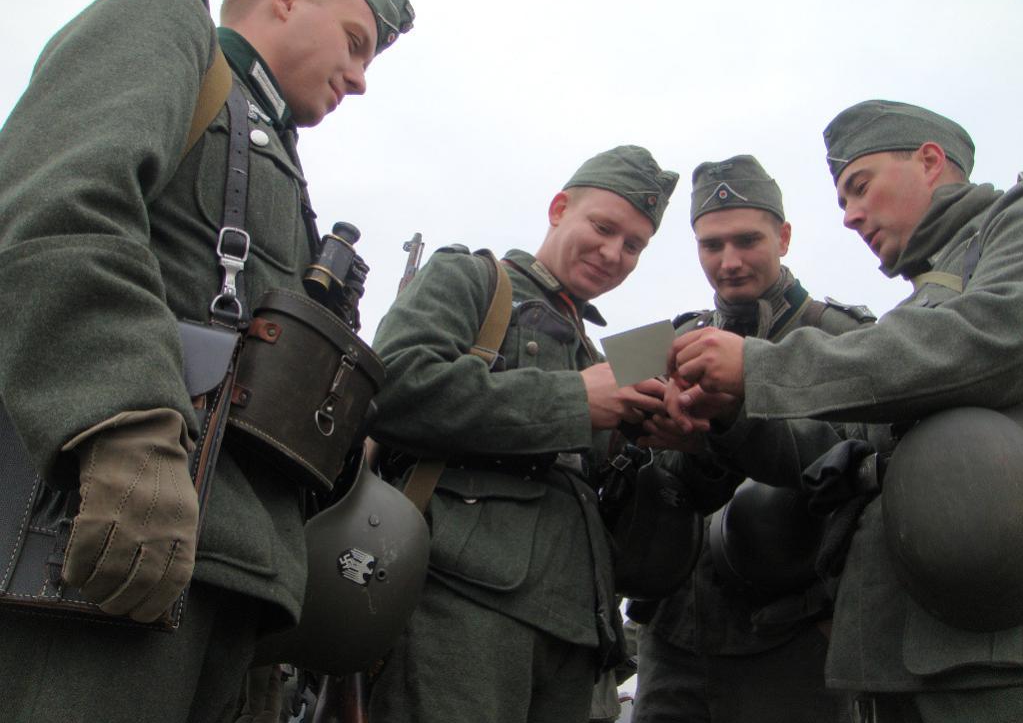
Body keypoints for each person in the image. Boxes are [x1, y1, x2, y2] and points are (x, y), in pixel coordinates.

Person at [0, 0, 412, 721]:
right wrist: (124, 423)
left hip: (223, 567)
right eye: (354, 42)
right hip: (107, 523)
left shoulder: (276, 154)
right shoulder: (167, 21)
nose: (359, 79)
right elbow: (58, 210)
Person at [669, 100, 1023, 721]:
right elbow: (831, 445)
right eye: (841, 200)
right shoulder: (923, 300)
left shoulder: (1009, 230)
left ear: (930, 162)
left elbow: (992, 337)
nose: (851, 216)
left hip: (992, 648)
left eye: (860, 186)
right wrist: (728, 414)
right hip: (910, 649)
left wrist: (762, 368)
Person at [367, 145, 679, 723]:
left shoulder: (598, 354)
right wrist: (576, 399)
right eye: (603, 228)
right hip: (459, 606)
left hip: (576, 627)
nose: (614, 253)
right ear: (559, 209)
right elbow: (391, 386)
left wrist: (660, 437)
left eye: (634, 245)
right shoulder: (472, 278)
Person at [632, 155, 871, 723]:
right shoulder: (663, 343)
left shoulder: (846, 339)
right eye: (711, 245)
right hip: (673, 640)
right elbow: (623, 464)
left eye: (747, 240)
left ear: (783, 237)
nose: (729, 262)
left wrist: (728, 426)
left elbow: (857, 464)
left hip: (794, 641)